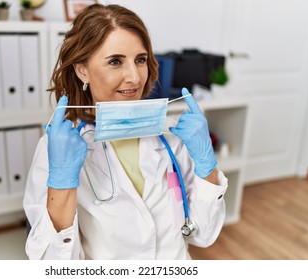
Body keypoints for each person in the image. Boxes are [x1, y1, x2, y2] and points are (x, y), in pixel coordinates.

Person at [23, 3, 227, 260]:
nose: (134, 77)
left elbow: (203, 235)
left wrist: (206, 166)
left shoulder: (171, 139)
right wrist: (62, 181)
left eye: (140, 60)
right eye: (115, 61)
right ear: (82, 69)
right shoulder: (56, 151)